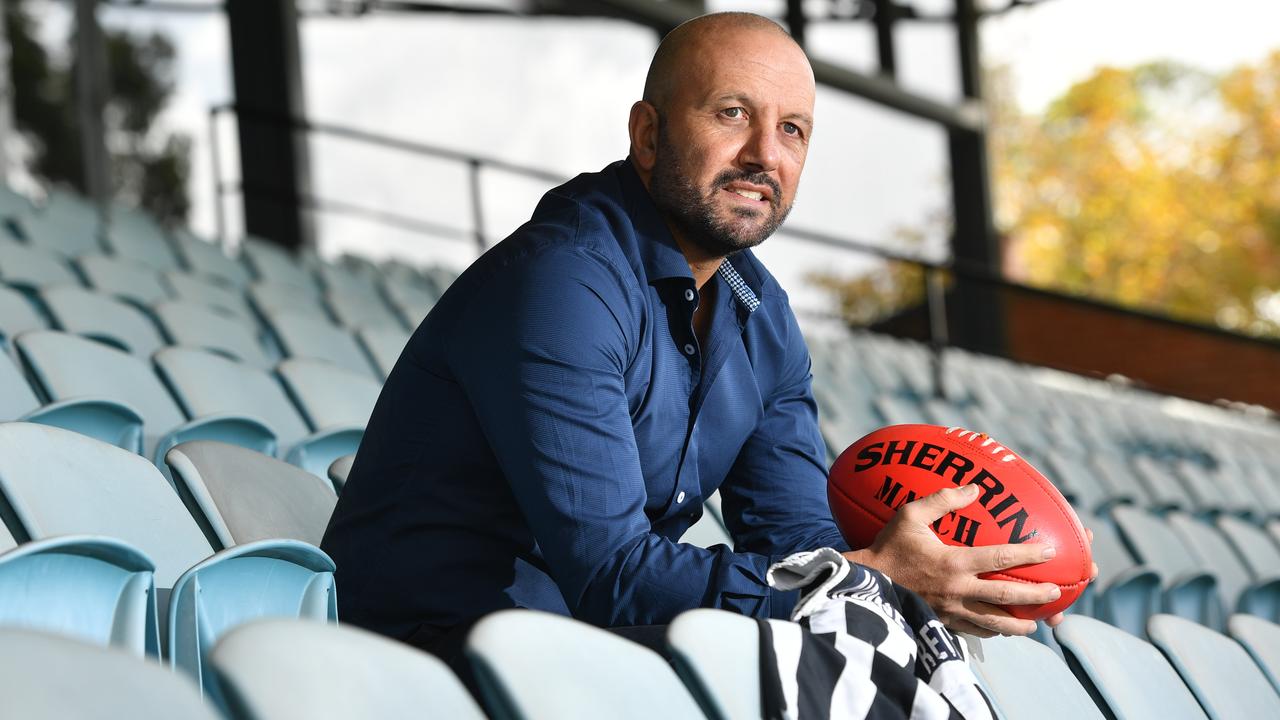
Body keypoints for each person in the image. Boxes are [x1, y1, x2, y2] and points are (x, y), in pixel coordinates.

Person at [321, 11, 1070, 668]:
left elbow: (793, 537)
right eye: (732, 113)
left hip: (587, 644)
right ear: (648, 135)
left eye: (792, 130)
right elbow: (613, 575)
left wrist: (949, 574)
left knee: (901, 654)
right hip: (432, 653)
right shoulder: (561, 283)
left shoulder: (760, 310)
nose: (764, 155)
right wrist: (868, 579)